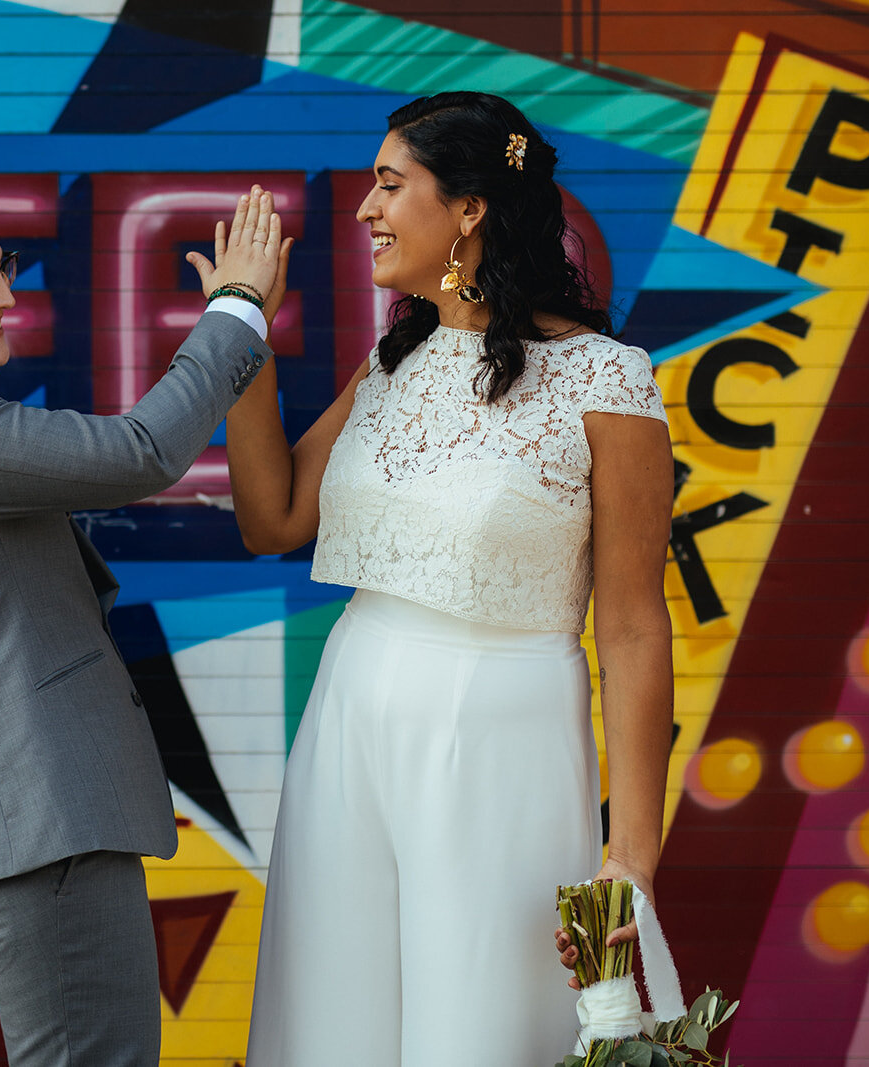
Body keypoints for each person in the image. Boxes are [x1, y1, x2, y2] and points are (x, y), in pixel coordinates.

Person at [224, 94, 674, 1064]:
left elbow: (634, 628)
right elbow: (273, 518)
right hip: (348, 722)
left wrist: (629, 854)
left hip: (500, 744)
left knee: (475, 1025)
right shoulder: (392, 361)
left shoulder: (606, 380)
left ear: (468, 208)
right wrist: (242, 329)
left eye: (389, 184)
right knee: (330, 1022)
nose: (364, 210)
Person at [0, 170, 291, 1067]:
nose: (7, 295)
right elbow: (142, 449)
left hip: (36, 829)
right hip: (34, 828)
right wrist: (236, 307)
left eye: (4, 266)